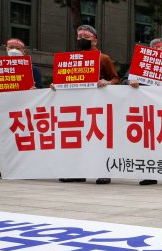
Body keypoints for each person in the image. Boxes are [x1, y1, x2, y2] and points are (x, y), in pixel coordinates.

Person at [58, 25, 120, 184]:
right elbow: (63, 80)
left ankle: (103, 171)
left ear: (95, 40)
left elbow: (115, 79)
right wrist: (56, 86)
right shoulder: (70, 59)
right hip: (77, 107)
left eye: (86, 37)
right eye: (79, 37)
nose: (82, 40)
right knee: (78, 139)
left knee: (99, 138)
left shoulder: (103, 58)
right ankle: (77, 172)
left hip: (97, 107)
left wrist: (107, 82)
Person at [0, 38, 43, 180]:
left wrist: (35, 90)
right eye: (10, 47)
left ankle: (28, 169)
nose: (13, 50)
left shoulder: (33, 69)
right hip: (5, 113)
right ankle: (7, 169)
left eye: (17, 48)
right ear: (5, 49)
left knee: (25, 141)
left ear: (23, 51)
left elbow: (41, 92)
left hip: (24, 113)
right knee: (6, 142)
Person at [122, 37, 162, 187]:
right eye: (161, 49)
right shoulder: (140, 63)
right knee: (148, 143)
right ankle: (150, 174)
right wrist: (130, 82)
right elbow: (125, 80)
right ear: (152, 51)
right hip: (145, 111)